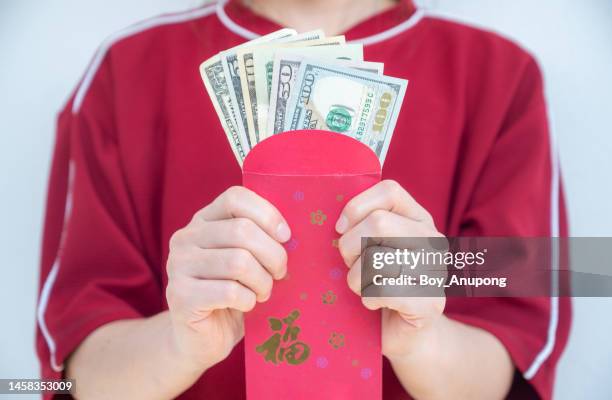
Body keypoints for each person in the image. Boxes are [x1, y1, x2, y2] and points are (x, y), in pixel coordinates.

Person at [36, 0, 571, 398]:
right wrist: (179, 344)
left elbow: (524, 360)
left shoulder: (503, 78)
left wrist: (423, 341)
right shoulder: (125, 70)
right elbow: (70, 380)